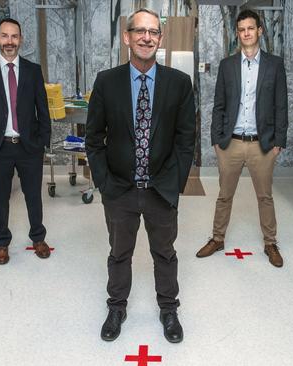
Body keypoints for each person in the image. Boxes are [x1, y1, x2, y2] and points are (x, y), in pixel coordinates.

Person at [86, 8, 195, 344]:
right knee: (119, 253)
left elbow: (185, 138)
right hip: (119, 189)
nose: (147, 37)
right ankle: (116, 307)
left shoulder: (178, 84)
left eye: (153, 32)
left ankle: (168, 309)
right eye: (140, 31)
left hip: (161, 188)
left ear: (159, 39)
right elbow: (94, 138)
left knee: (165, 253)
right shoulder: (107, 81)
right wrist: (105, 184)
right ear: (127, 37)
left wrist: (175, 184)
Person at [196, 10, 288, 268]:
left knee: (265, 197)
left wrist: (278, 141)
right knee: (224, 195)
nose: (246, 33)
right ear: (238, 33)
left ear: (259, 31)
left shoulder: (274, 64)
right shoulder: (227, 65)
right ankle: (217, 238)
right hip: (231, 143)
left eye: (251, 28)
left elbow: (281, 104)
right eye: (242, 29)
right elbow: (219, 105)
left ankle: (270, 243)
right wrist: (216, 139)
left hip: (263, 144)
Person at [0, 18, 52, 265]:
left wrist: (43, 141)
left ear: (21, 39)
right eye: (4, 36)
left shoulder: (32, 69)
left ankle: (38, 238)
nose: (9, 41)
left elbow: (42, 108)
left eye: (14, 36)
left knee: (33, 196)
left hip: (29, 146)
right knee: (0, 197)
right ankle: (2, 242)